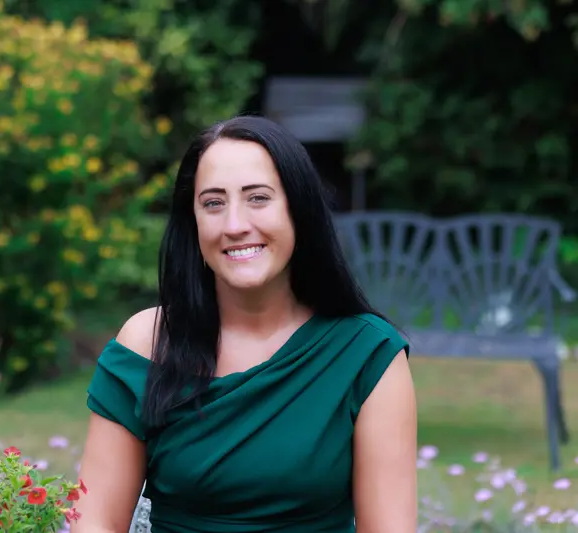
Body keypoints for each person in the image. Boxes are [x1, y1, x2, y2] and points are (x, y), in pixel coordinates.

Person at [72, 116, 417, 533]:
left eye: (258, 198)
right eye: (213, 203)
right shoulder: (147, 344)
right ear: (193, 221)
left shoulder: (367, 355)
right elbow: (96, 521)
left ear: (299, 210)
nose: (235, 225)